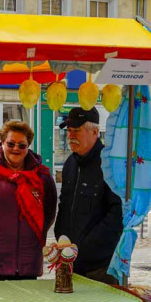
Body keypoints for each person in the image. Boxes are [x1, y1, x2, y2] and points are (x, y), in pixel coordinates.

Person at [0, 120, 56, 281]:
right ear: (2, 142)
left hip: (28, 259)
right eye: (11, 143)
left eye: (22, 145)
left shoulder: (42, 176)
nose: (16, 148)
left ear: (28, 147)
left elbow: (48, 213)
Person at [54, 107, 123, 285]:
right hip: (70, 263)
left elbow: (117, 215)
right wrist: (61, 238)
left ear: (95, 131)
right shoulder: (70, 163)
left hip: (100, 267)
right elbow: (64, 205)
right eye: (69, 131)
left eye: (76, 130)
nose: (70, 136)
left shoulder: (110, 165)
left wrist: (85, 248)